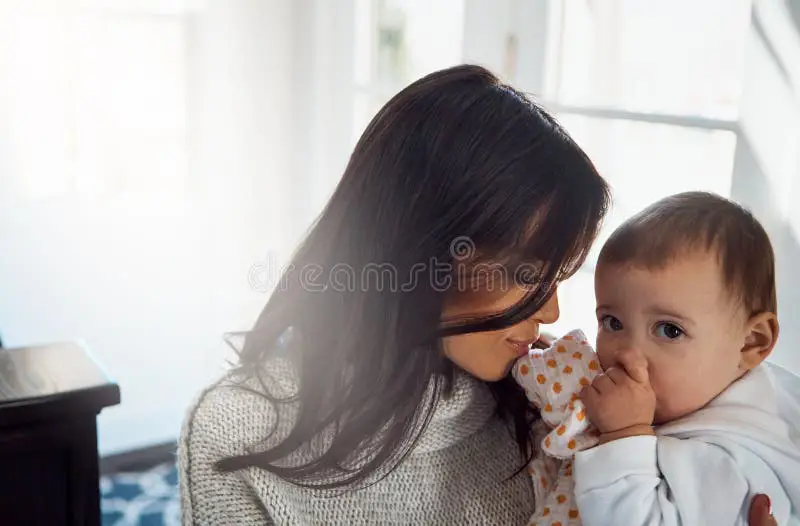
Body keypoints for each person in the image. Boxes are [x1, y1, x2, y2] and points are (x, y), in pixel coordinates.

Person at [178, 65, 777, 525]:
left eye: (558, 279)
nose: (551, 313)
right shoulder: (238, 431)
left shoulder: (551, 404)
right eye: (524, 275)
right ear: (420, 253)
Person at [516, 192, 799, 526]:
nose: (626, 354)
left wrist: (624, 435)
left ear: (751, 343)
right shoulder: (723, 392)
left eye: (669, 330)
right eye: (613, 322)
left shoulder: (735, 459)